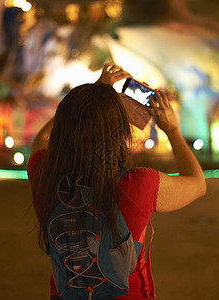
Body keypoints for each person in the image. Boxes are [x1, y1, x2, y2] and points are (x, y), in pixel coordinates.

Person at [27, 63, 206, 299]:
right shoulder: (138, 183)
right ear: (121, 133)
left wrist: (91, 94)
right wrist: (172, 129)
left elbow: (43, 139)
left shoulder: (44, 174)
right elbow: (197, 183)